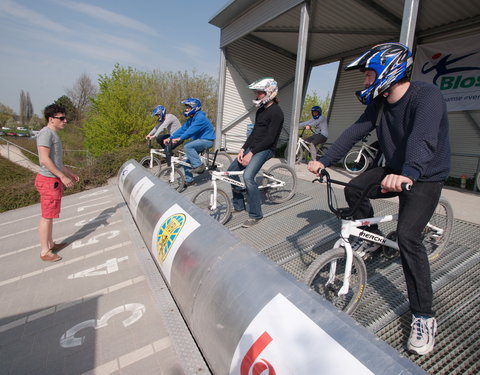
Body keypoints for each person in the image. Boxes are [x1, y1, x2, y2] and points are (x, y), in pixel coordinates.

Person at [307, 42, 450, 356]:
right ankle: (371, 239)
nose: (365, 81)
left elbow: (423, 138)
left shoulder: (426, 96)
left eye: (368, 74)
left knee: (409, 237)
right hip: (395, 168)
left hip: (424, 175)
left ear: (389, 71)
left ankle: (424, 316)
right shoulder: (381, 102)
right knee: (355, 189)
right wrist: (325, 160)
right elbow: (355, 131)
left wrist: (409, 173)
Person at [227, 78, 284, 228]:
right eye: (257, 92)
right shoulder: (260, 111)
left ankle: (256, 215)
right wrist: (242, 148)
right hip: (253, 147)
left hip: (266, 149)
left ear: (269, 93)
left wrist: (251, 154)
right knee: (231, 171)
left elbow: (270, 138)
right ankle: (239, 205)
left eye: (260, 92)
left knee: (248, 177)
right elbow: (254, 134)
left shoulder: (277, 113)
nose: (257, 95)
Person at [35, 104, 80, 262]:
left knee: (50, 215)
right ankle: (45, 251)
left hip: (53, 180)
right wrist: (62, 176)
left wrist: (69, 174)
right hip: (48, 181)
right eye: (61, 118)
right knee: (46, 216)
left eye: (64, 118)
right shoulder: (46, 134)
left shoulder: (53, 134)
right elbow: (45, 159)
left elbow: (56, 161)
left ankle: (51, 244)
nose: (65, 121)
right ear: (51, 119)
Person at [165, 98, 215, 187]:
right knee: (185, 161)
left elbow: (190, 131)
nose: (186, 109)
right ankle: (189, 180)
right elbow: (183, 129)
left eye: (188, 107)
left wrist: (180, 138)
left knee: (187, 146)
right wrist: (171, 137)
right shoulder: (192, 119)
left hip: (207, 140)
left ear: (194, 107)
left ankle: (199, 166)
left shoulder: (200, 118)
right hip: (199, 141)